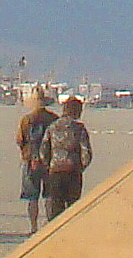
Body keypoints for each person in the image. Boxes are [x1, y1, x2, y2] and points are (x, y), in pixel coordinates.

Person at [40, 96, 94, 221]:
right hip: (73, 173)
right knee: (72, 209)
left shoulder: (52, 127)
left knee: (56, 208)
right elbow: (86, 153)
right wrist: (81, 167)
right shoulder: (79, 129)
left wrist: (49, 166)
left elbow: (43, 151)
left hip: (55, 172)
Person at [14, 86, 56, 232]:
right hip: (49, 163)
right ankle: (50, 223)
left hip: (30, 161)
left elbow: (20, 140)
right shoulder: (53, 119)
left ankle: (33, 226)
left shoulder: (26, 120)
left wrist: (27, 154)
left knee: (32, 197)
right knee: (49, 196)